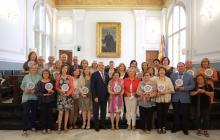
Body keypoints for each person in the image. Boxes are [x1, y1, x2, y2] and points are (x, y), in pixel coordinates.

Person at [170, 62, 195, 135]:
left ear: (184, 67)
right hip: (175, 98)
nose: (180, 67)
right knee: (176, 114)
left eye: (181, 66)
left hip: (185, 98)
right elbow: (170, 85)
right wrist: (174, 87)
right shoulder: (172, 75)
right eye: (178, 66)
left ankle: (185, 129)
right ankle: (175, 127)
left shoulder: (189, 76)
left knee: (185, 114)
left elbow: (193, 85)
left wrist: (184, 88)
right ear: (177, 68)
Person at [20, 64, 41, 136]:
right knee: (25, 113)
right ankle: (24, 130)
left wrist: (35, 91)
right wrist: (25, 90)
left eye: (36, 68)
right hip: (26, 97)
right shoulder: (26, 76)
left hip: (35, 97)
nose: (34, 69)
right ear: (30, 69)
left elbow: (40, 87)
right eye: (33, 68)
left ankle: (33, 126)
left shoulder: (39, 77)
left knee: (34, 113)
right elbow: (22, 86)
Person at [155, 67, 174, 134]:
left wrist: (164, 92)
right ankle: (159, 127)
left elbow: (172, 90)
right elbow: (153, 89)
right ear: (158, 71)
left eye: (163, 70)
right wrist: (156, 92)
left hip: (166, 99)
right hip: (158, 99)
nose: (161, 71)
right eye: (160, 70)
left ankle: (164, 127)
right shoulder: (156, 79)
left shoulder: (168, 79)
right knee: (159, 114)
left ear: (165, 72)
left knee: (165, 114)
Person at [91, 62, 109, 131]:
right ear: (98, 66)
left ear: (104, 66)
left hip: (104, 96)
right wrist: (95, 96)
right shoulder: (94, 74)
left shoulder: (106, 75)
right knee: (96, 112)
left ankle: (102, 124)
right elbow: (92, 87)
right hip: (97, 97)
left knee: (103, 111)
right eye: (100, 65)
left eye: (102, 65)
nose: (101, 66)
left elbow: (107, 86)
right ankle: (96, 125)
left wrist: (108, 95)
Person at [55, 65, 74, 133]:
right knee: (60, 113)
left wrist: (68, 93)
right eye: (63, 68)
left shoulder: (70, 77)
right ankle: (59, 128)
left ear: (67, 69)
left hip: (68, 97)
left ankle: (65, 127)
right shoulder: (58, 77)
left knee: (66, 112)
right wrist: (61, 91)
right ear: (61, 69)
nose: (64, 69)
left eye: (66, 68)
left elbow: (72, 87)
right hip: (61, 97)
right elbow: (56, 87)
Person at [36, 69, 55, 134]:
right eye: (44, 73)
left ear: (49, 74)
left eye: (47, 73)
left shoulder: (52, 81)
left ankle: (49, 128)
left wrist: (52, 91)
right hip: (42, 100)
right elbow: (37, 92)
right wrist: (43, 94)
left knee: (49, 114)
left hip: (50, 100)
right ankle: (43, 128)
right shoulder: (39, 82)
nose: (46, 74)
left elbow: (54, 90)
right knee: (43, 115)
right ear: (42, 74)